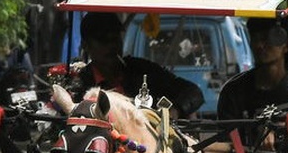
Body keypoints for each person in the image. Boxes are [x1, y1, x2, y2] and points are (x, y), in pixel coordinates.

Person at [74, 13, 204, 118]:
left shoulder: (142, 71)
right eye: (103, 40)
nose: (112, 45)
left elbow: (193, 93)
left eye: (115, 39)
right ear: (86, 46)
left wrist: (175, 110)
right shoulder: (79, 85)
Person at [217, 15, 288, 132]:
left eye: (267, 39)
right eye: (255, 39)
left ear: (286, 45)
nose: (259, 46)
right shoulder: (234, 91)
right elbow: (225, 140)